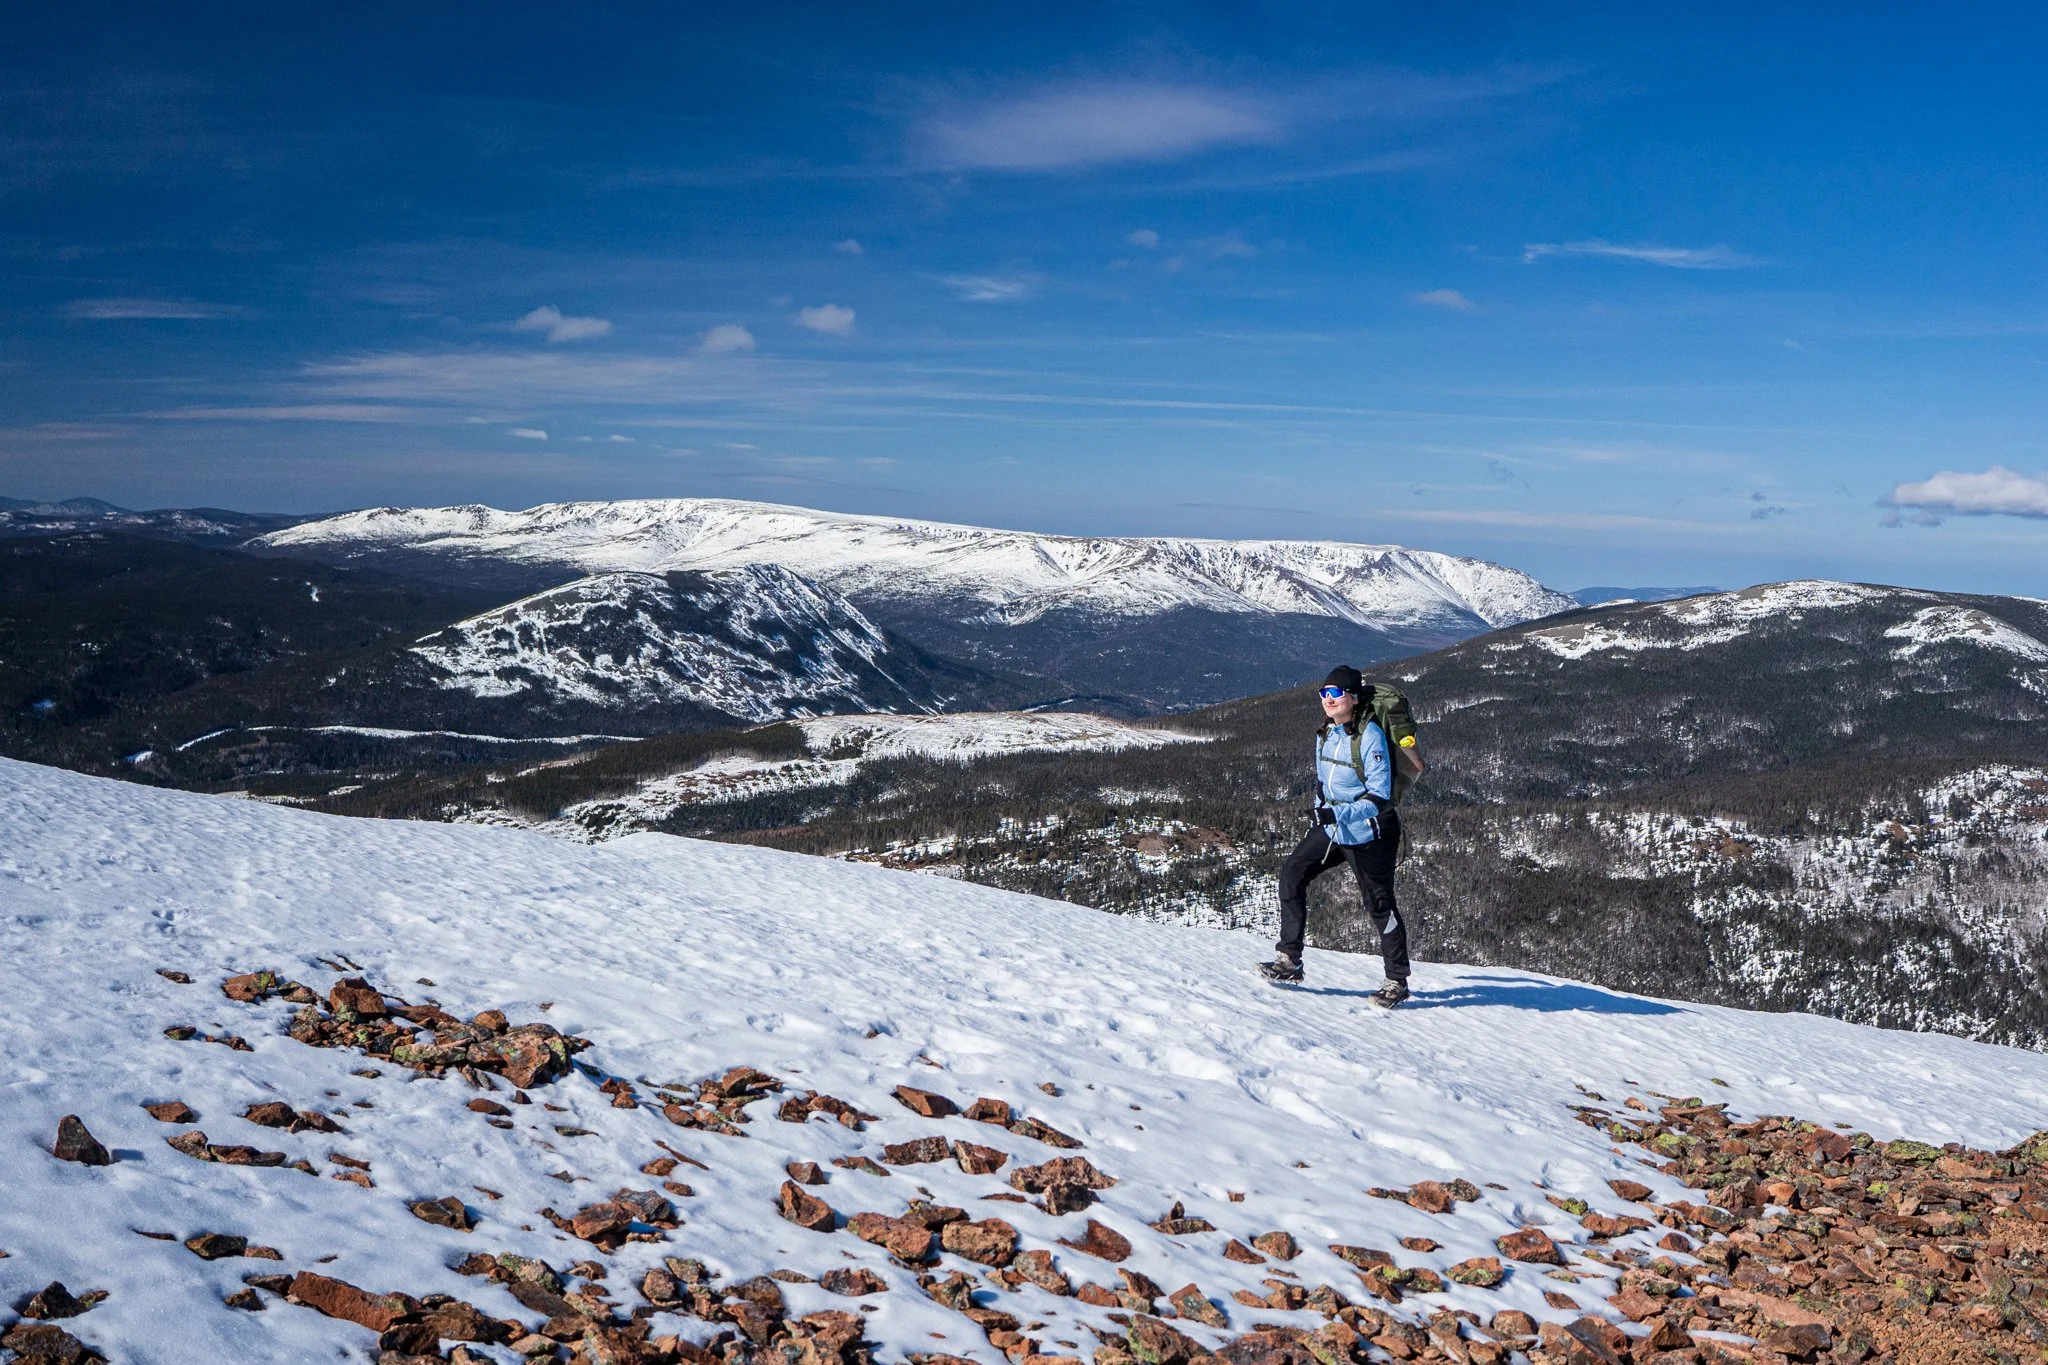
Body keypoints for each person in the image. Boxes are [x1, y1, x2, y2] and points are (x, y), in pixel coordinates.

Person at [1259, 665, 1413, 1006]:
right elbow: (1322, 783)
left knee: (1379, 904)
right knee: (1292, 875)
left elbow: (1379, 796)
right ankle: (1289, 959)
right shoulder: (1325, 733)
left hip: (1370, 834)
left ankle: (1397, 981)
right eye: (1323, 694)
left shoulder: (1370, 736)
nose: (1327, 700)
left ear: (1352, 699)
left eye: (1334, 694)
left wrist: (1335, 813)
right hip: (1332, 829)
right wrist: (1320, 811)